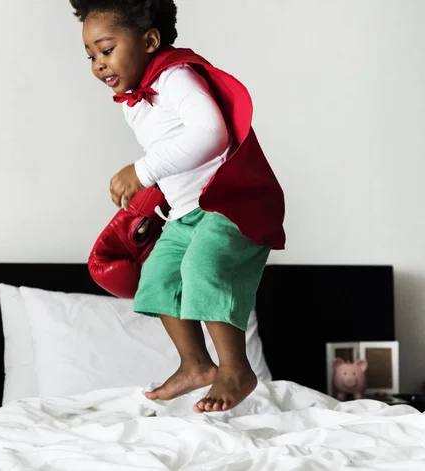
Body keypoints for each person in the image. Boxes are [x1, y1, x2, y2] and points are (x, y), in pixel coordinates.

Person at [69, 0, 285, 413]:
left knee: (201, 268)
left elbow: (212, 134)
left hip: (228, 204)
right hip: (186, 212)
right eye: (91, 55)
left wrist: (143, 170)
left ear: (149, 41)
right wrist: (153, 197)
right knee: (157, 278)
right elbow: (175, 152)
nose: (98, 64)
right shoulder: (135, 101)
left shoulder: (174, 77)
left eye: (106, 49)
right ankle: (196, 365)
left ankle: (236, 369)